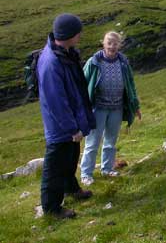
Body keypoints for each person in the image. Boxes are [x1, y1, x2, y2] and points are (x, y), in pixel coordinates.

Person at [37, 13, 96, 219]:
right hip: (61, 126)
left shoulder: (66, 52)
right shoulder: (51, 62)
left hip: (73, 121)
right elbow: (56, 102)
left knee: (71, 157)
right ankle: (51, 208)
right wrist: (72, 128)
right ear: (68, 34)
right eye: (77, 32)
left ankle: (71, 188)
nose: (80, 35)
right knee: (55, 166)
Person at [80, 31, 141, 186]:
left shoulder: (123, 63)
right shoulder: (93, 62)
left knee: (110, 141)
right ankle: (86, 174)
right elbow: (81, 84)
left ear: (119, 45)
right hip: (97, 108)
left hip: (117, 108)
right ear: (103, 44)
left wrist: (135, 106)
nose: (112, 46)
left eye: (115, 43)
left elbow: (131, 85)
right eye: (109, 43)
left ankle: (107, 169)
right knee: (92, 142)